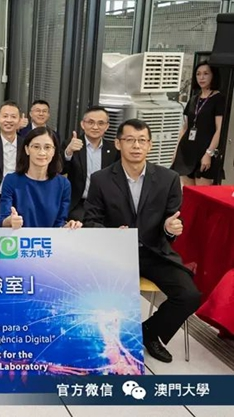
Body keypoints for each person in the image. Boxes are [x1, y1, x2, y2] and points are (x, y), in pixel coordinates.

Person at [84, 118, 201, 363]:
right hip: (116, 254)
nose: (136, 146)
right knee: (95, 293)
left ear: (149, 145)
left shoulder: (169, 178)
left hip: (154, 252)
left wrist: (170, 228)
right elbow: (91, 221)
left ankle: (149, 332)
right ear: (118, 144)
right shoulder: (101, 179)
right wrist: (112, 234)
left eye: (142, 140)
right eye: (130, 140)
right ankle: (102, 342)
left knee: (189, 295)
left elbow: (173, 219)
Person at [0, 127, 79, 229]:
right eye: (36, 147)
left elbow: (59, 223)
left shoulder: (63, 184)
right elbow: (1, 220)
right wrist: (10, 221)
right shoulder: (11, 180)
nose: (42, 153)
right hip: (19, 237)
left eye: (47, 147)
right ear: (27, 149)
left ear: (54, 151)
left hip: (50, 238)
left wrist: (68, 226)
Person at [171, 61, 225, 186]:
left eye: (206, 74)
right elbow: (185, 127)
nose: (201, 77)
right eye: (198, 74)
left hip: (205, 151)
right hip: (187, 151)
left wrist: (209, 153)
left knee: (202, 193)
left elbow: (220, 129)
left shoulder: (218, 99)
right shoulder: (194, 98)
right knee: (188, 193)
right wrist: (176, 151)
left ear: (213, 75)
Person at [62, 106, 119, 221]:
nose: (95, 127)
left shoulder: (113, 150)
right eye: (91, 122)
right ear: (83, 124)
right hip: (79, 204)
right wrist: (68, 152)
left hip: (105, 204)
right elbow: (60, 170)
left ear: (107, 126)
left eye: (101, 123)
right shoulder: (71, 144)